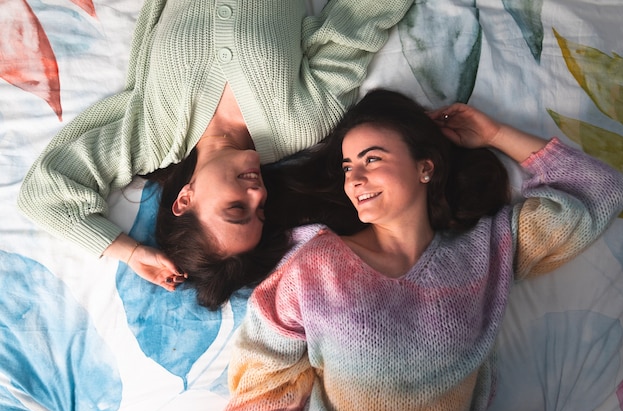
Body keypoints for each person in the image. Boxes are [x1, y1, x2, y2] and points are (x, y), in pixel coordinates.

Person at [224, 89, 623, 411]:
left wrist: (494, 134)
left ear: (425, 168)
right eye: (347, 167)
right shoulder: (316, 265)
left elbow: (599, 189)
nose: (356, 178)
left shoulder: (485, 251)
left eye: (372, 159)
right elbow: (262, 385)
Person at [16, 0, 414, 307]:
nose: (257, 195)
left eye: (237, 209)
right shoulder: (302, 121)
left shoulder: (153, 134)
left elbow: (45, 196)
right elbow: (357, 24)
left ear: (184, 199)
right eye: (259, 212)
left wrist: (131, 252)